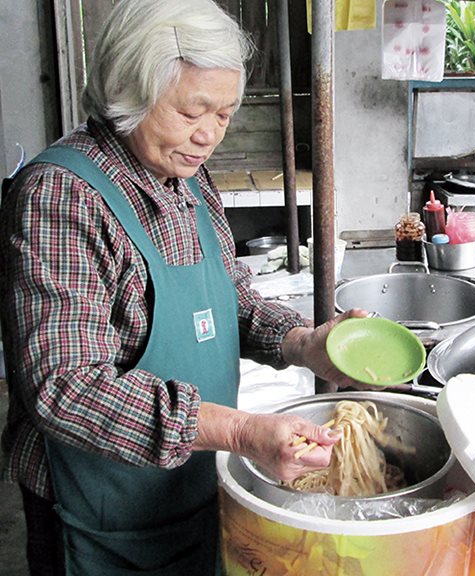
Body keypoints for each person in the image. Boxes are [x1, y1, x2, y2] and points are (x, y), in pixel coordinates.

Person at [0, 1, 368, 574]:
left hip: (193, 482)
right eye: (193, 111)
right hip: (99, 513)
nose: (209, 136)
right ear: (129, 93)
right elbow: (64, 385)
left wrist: (305, 344)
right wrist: (242, 431)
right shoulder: (62, 197)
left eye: (224, 114)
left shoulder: (187, 179)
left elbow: (232, 302)